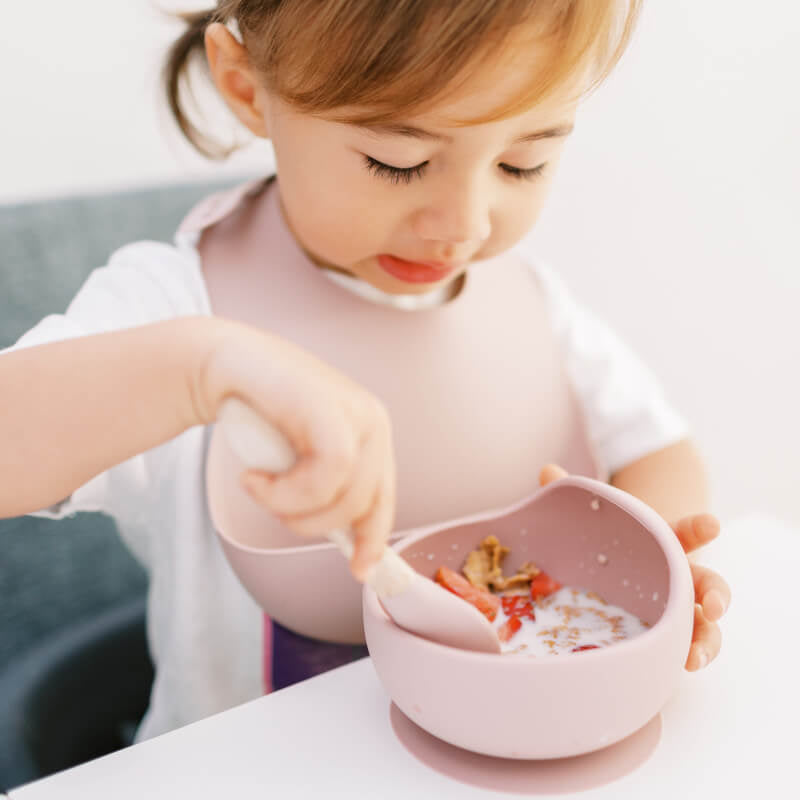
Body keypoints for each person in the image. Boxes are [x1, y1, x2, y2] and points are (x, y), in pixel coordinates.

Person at [0, 0, 730, 743]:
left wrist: (656, 569)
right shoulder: (172, 305)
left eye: (523, 162)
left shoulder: (534, 304)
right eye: (399, 162)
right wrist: (200, 368)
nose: (465, 223)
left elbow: (658, 451)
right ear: (249, 88)